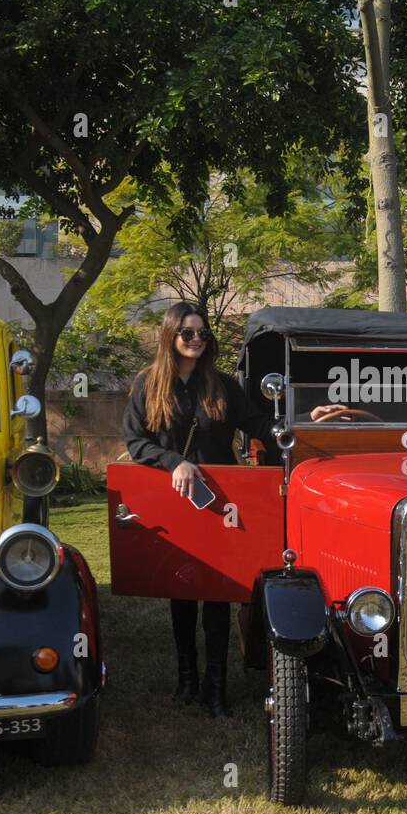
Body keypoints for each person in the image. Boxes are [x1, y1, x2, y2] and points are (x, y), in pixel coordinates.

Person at [124, 301, 276, 718]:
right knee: (181, 590)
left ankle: (215, 688)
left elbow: (259, 425)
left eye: (202, 334)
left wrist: (300, 422)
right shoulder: (147, 385)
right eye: (187, 333)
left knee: (217, 594)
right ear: (170, 336)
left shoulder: (222, 385)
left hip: (220, 500)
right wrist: (175, 462)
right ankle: (186, 679)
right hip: (175, 499)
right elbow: (137, 443)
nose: (196, 340)